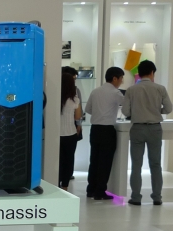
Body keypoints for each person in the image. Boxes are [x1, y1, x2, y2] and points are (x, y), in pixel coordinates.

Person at [123, 60, 173, 206]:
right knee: (155, 164)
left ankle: (136, 197)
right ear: (152, 73)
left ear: (139, 73)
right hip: (155, 129)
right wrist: (157, 111)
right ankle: (157, 197)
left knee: (136, 164)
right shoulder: (160, 88)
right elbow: (169, 108)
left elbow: (125, 111)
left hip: (137, 128)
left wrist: (135, 112)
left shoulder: (131, 90)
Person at [85, 67, 125, 200]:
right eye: (121, 78)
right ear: (115, 78)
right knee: (105, 162)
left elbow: (88, 109)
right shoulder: (116, 93)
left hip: (95, 129)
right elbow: (126, 108)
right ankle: (100, 191)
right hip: (107, 130)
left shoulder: (95, 91)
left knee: (94, 160)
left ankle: (91, 189)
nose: (122, 81)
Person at [59, 72, 81, 191]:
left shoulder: (55, 98)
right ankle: (65, 186)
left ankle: (55, 182)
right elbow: (77, 116)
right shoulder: (74, 99)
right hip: (70, 133)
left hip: (56, 134)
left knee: (58, 160)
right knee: (68, 160)